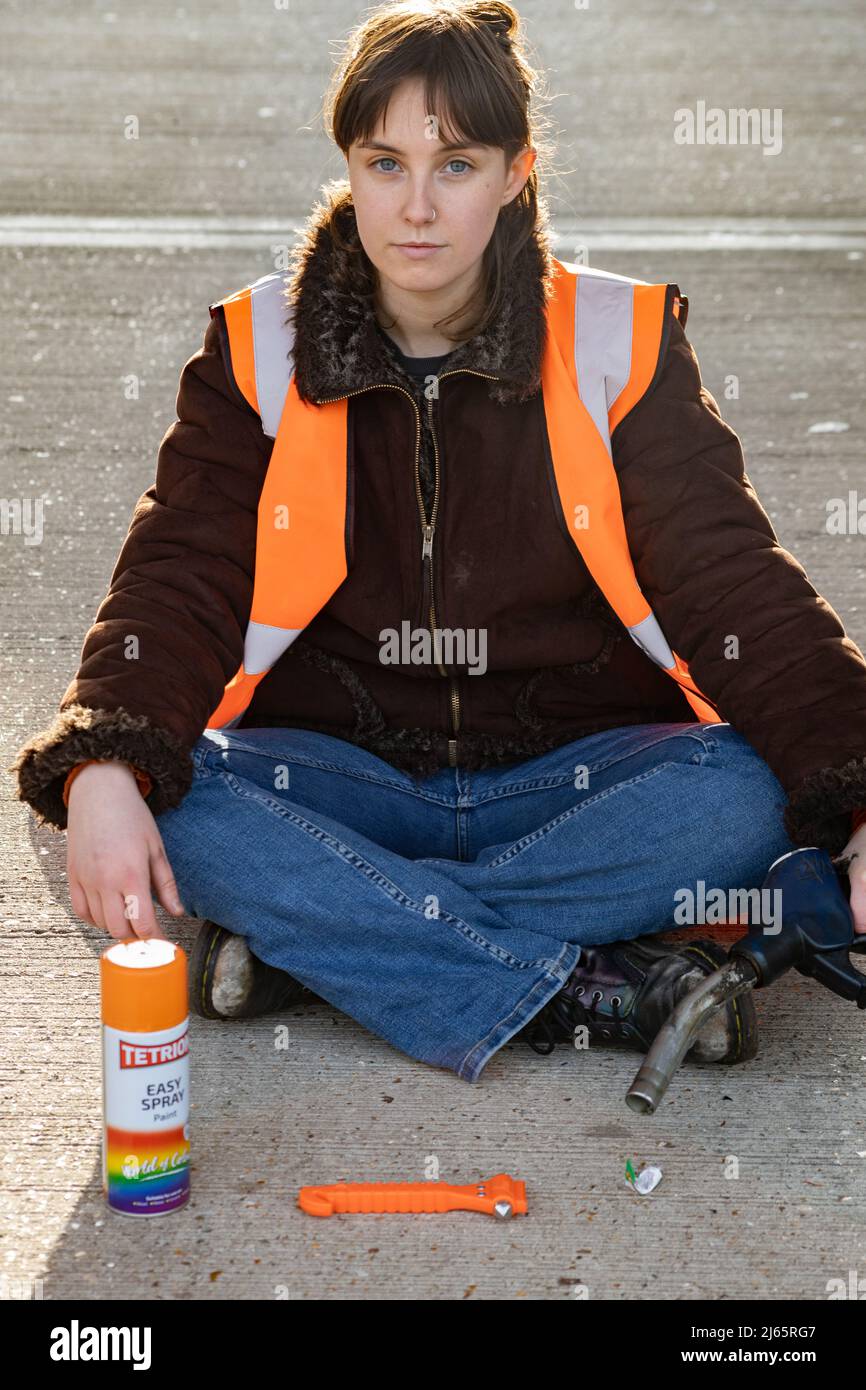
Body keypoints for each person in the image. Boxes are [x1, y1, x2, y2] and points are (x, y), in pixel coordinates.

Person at [10, 0, 866, 1084]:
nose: (414, 207)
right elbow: (181, 571)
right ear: (349, 168)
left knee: (743, 793)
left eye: (455, 165)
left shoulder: (615, 339)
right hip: (340, 779)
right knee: (155, 796)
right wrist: (104, 767)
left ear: (516, 172)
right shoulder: (256, 347)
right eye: (384, 163)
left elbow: (733, 581)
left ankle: (323, 940)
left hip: (572, 780)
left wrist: (859, 789)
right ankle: (588, 979)